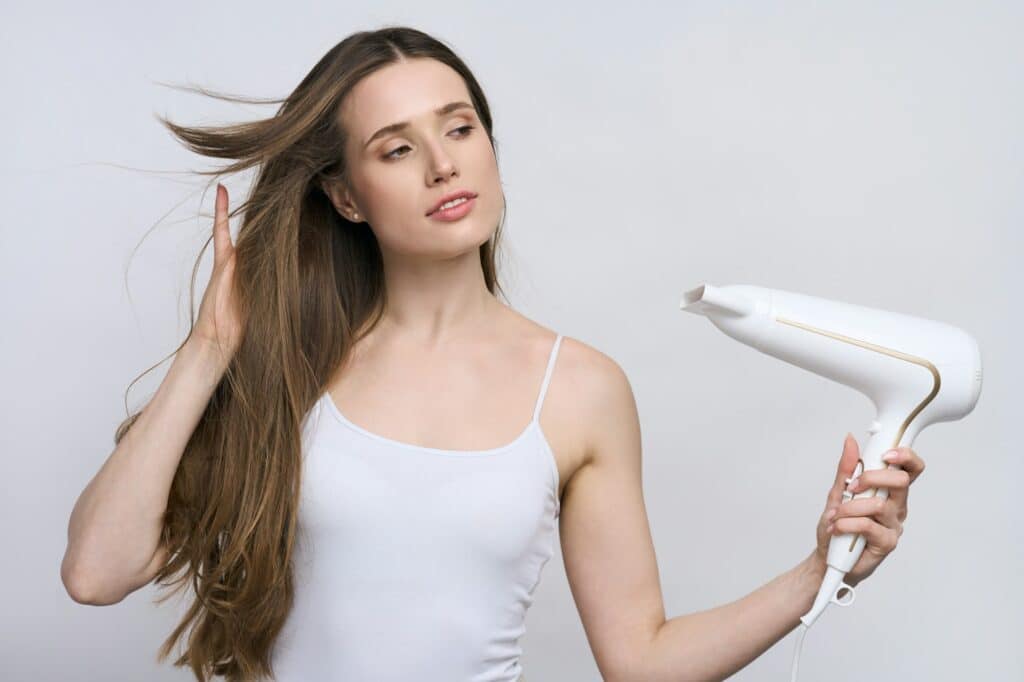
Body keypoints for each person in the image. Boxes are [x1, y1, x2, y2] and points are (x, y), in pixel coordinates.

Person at [61, 25, 926, 682]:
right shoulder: (290, 367)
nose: (442, 164)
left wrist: (821, 572)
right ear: (346, 198)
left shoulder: (580, 389)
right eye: (396, 149)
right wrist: (212, 345)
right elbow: (97, 573)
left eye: (461, 128)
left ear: (491, 148)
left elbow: (642, 661)